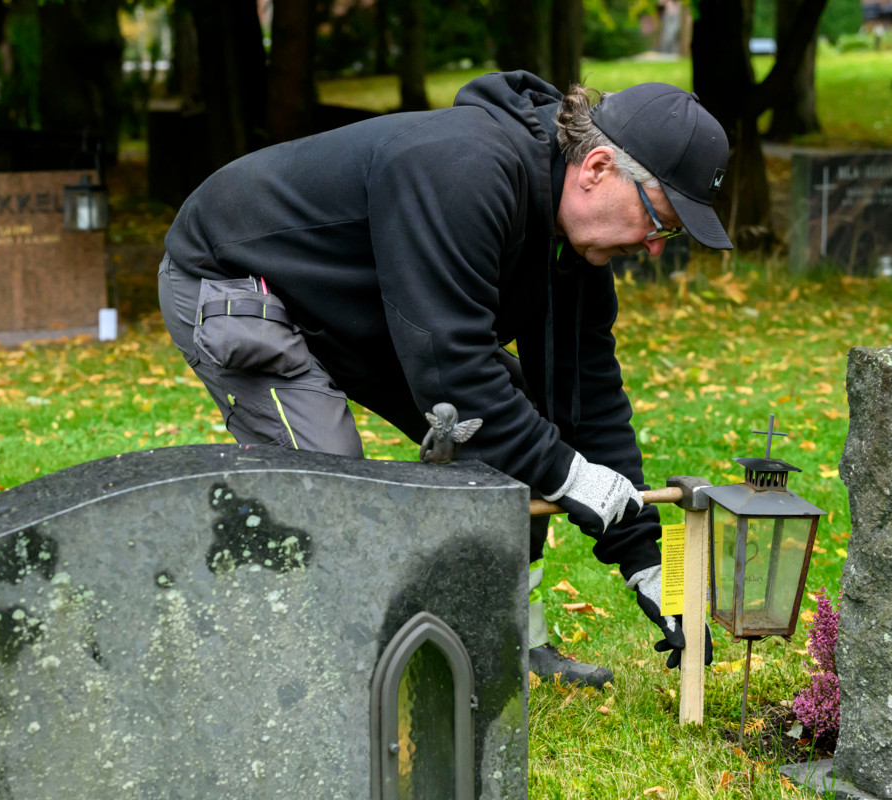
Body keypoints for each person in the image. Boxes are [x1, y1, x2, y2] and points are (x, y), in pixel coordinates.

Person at [158, 71, 730, 688]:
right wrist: (569, 476)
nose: (653, 247)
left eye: (667, 234)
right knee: (330, 479)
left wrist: (646, 561)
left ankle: (512, 642)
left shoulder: (572, 242)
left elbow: (583, 395)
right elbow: (455, 377)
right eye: (659, 220)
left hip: (367, 307)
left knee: (519, 431)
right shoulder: (464, 171)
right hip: (238, 282)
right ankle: (315, 681)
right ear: (596, 168)